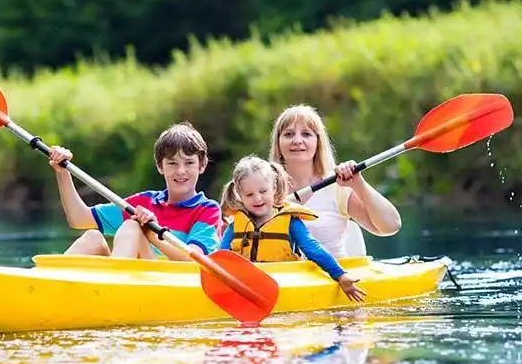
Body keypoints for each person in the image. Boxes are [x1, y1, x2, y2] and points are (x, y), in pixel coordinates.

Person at [47, 122, 222, 260]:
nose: (181, 171)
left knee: (133, 226)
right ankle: (46, 284)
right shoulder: (144, 203)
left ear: (202, 165)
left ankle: (113, 289)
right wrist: (63, 173)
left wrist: (152, 233)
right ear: (160, 166)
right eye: (172, 163)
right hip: (131, 278)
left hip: (164, 286)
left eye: (189, 163)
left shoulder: (208, 210)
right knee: (92, 237)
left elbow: (194, 260)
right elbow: (79, 219)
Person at [218, 155, 365, 302]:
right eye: (249, 194)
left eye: (263, 191)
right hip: (248, 287)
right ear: (239, 195)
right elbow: (219, 257)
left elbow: (313, 249)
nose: (257, 199)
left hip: (285, 284)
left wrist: (340, 275)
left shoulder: (290, 221)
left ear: (274, 188)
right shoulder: (235, 225)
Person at [269, 104, 402, 258]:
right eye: (289, 134)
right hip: (283, 277)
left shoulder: (337, 187)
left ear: (318, 142)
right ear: (278, 143)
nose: (297, 140)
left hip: (334, 277)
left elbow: (391, 226)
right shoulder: (262, 189)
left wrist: (358, 184)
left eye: (306, 134)